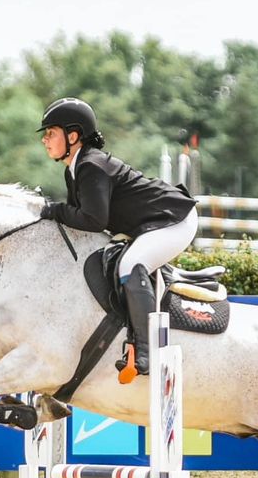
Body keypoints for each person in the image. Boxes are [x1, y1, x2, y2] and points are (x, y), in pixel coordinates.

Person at [36, 97, 198, 378]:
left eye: (51, 133)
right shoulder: (76, 169)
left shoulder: (91, 166)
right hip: (153, 223)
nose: (45, 140)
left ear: (72, 136)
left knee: (130, 265)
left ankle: (148, 351)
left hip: (173, 220)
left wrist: (54, 210)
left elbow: (92, 219)